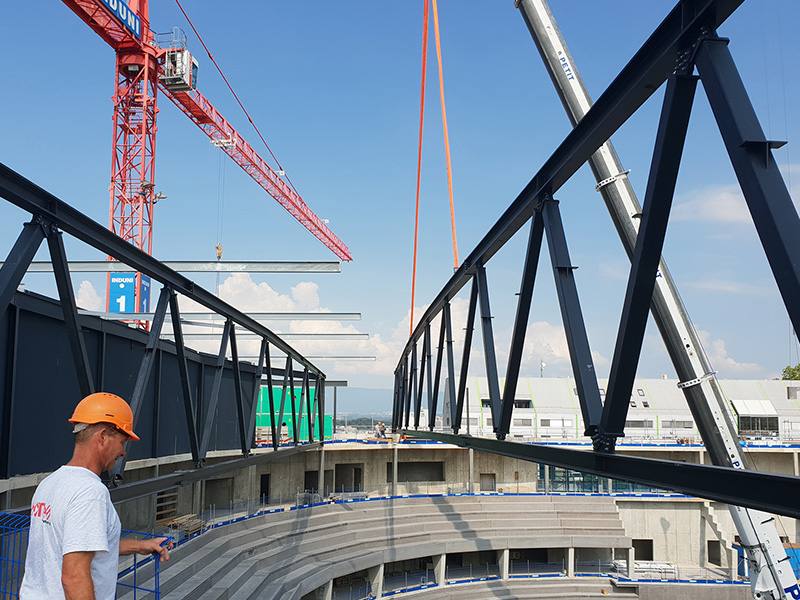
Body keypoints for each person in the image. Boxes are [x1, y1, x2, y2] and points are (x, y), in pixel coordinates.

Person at [20, 392, 172, 600]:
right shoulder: (90, 492)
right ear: (102, 436)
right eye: (122, 442)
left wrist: (141, 546)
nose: (123, 452)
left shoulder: (50, 484)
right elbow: (74, 577)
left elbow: (79, 544)